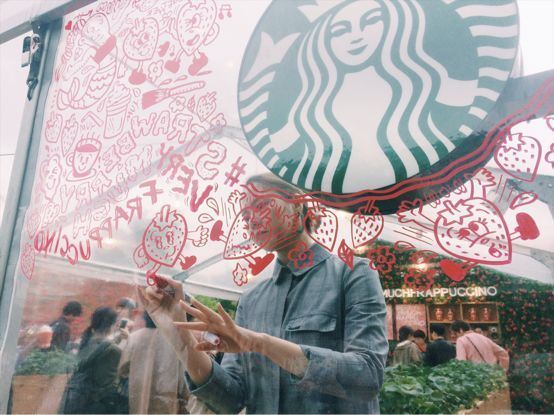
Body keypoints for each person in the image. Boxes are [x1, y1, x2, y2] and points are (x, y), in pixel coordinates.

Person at [139, 173, 389, 414]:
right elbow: (230, 400)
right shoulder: (251, 301)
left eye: (262, 205)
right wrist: (177, 332)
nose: (252, 220)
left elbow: (367, 377)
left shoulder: (353, 274)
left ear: (298, 204)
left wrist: (259, 343)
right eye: (245, 216)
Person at [243, 1, 481, 193]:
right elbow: (280, 144)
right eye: (341, 30)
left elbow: (468, 99)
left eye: (371, 21)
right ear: (324, 41)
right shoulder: (309, 109)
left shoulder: (424, 82)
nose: (356, 36)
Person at [118, 311, 187, 414]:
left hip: (138, 397)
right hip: (167, 402)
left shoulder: (134, 337)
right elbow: (184, 381)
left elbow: (122, 370)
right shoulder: (177, 341)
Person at [60, 307, 125, 414]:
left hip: (75, 403)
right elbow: (107, 384)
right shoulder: (113, 349)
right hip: (95, 406)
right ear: (113, 325)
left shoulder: (82, 342)